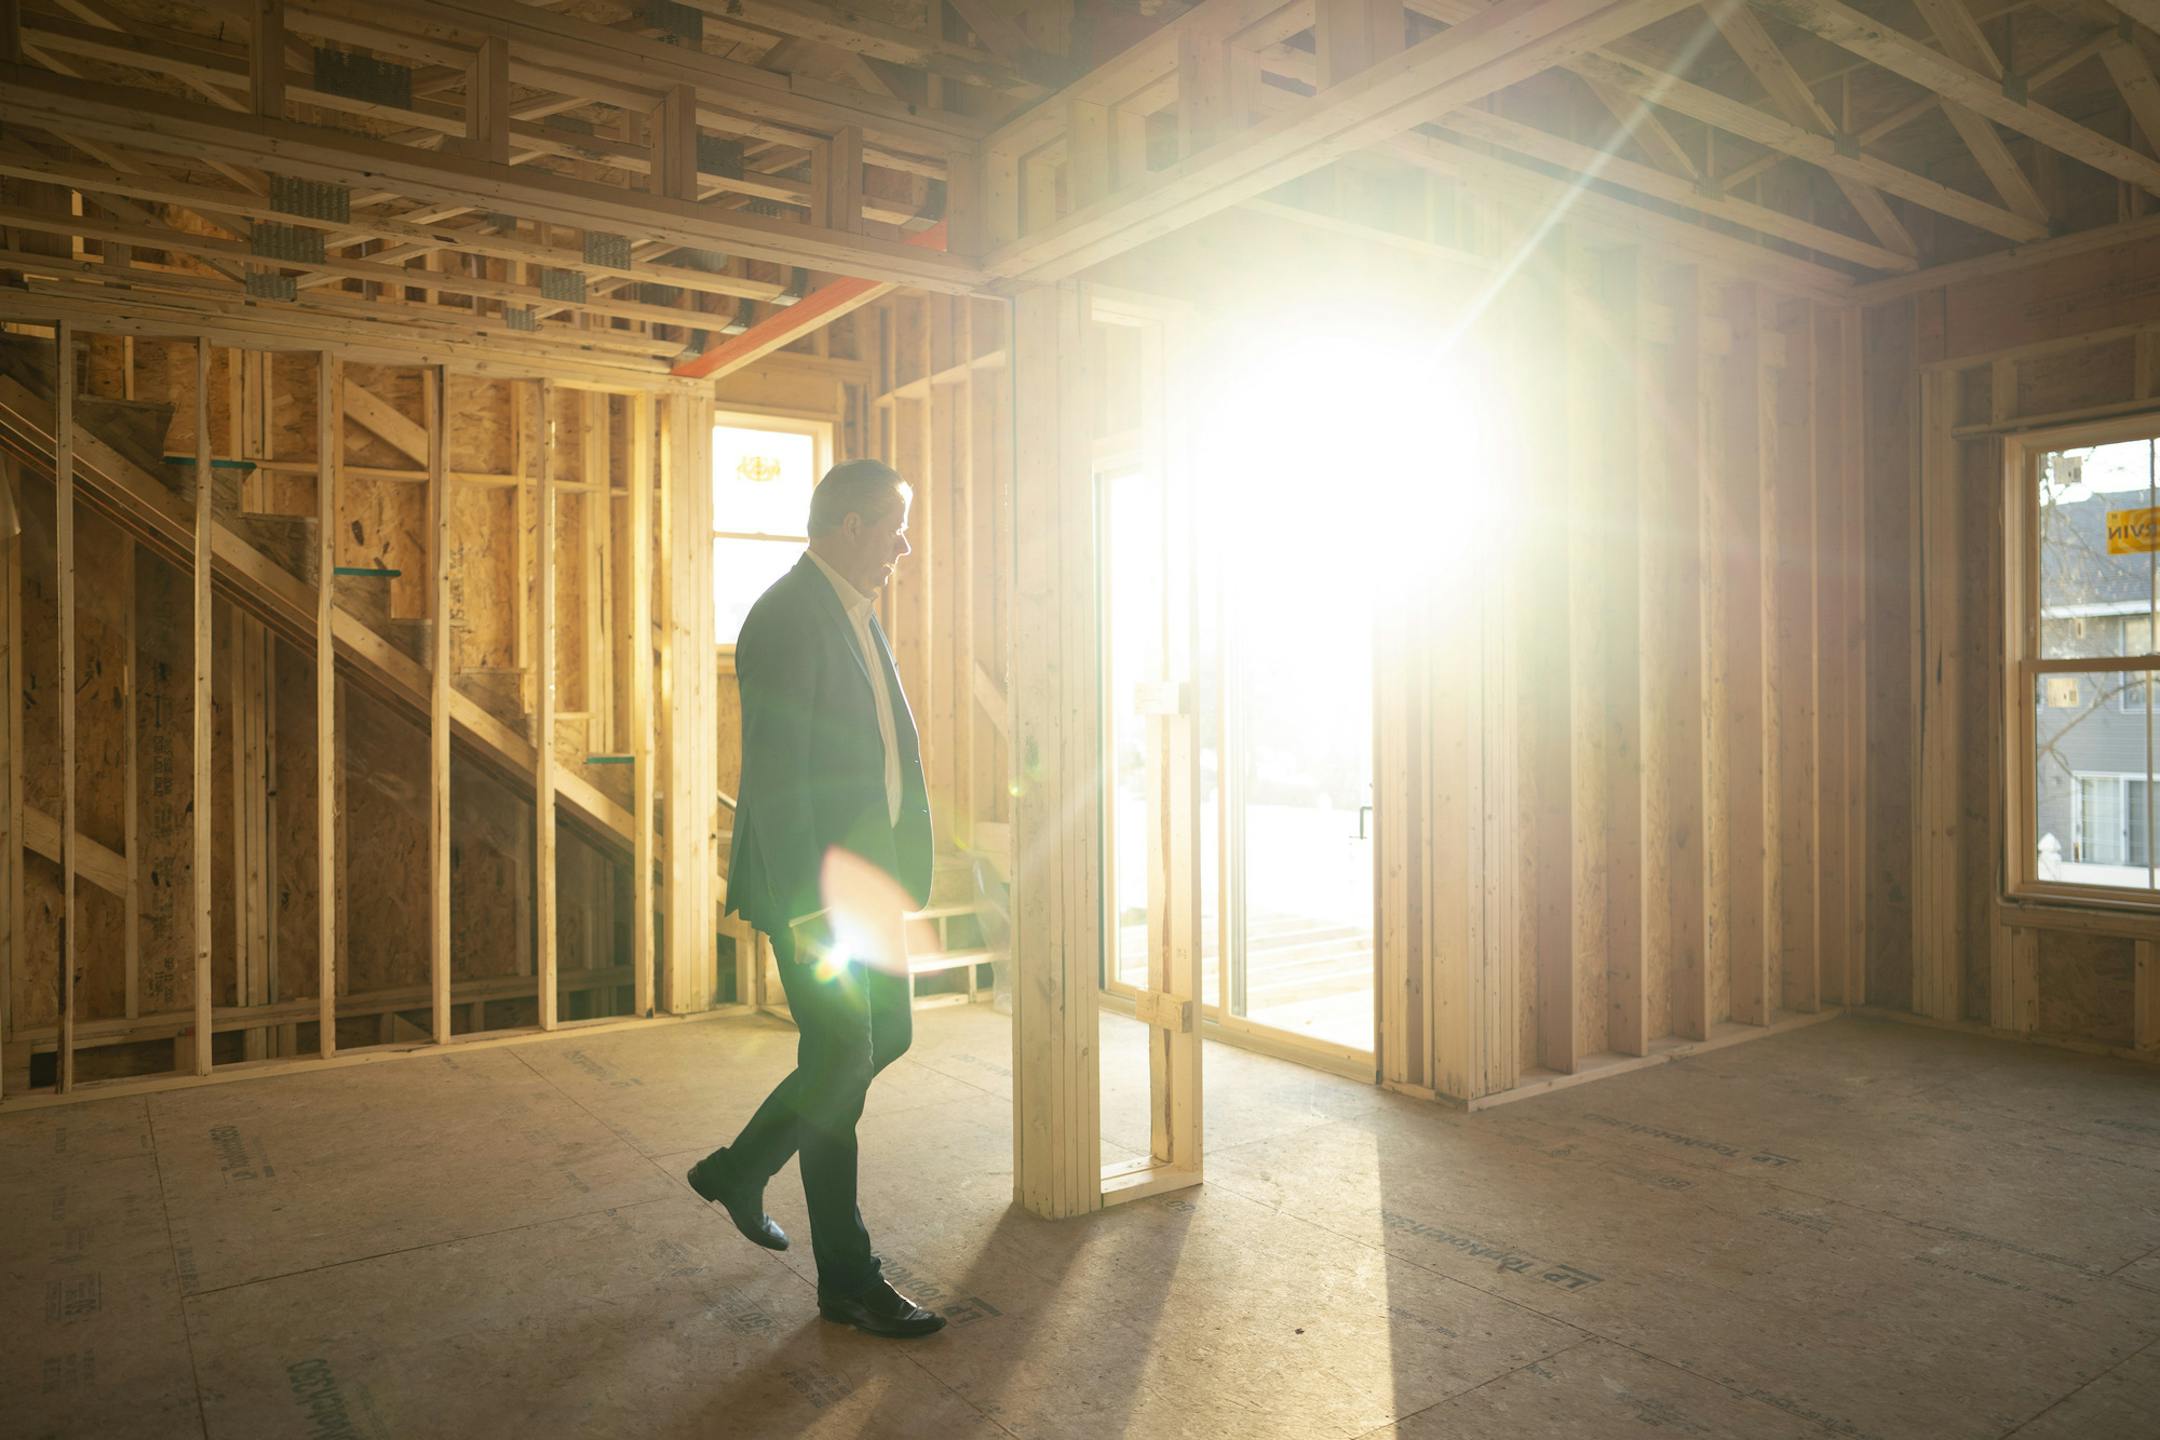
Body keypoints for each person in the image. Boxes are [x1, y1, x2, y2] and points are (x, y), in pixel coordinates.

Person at [687, 458, 944, 1339]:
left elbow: (879, 752)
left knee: (887, 1038)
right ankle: (847, 1278)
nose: (904, 544)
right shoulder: (787, 617)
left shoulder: (854, 614)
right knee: (838, 1064)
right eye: (894, 526)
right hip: (818, 893)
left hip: (867, 884)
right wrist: (804, 913)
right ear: (850, 527)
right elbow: (779, 781)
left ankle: (740, 1168)